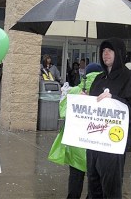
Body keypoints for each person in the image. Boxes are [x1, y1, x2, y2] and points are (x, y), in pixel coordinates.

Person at [87, 37, 131, 198]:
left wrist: (114, 99)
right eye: (103, 51)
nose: (105, 54)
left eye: (110, 50)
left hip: (113, 142)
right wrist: (85, 99)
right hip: (94, 140)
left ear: (119, 53)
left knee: (110, 185)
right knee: (93, 183)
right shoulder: (99, 78)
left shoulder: (129, 78)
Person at [57, 63, 103, 199]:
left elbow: (63, 113)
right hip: (97, 144)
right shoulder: (106, 94)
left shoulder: (75, 91)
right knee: (94, 179)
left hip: (76, 143)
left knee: (76, 176)